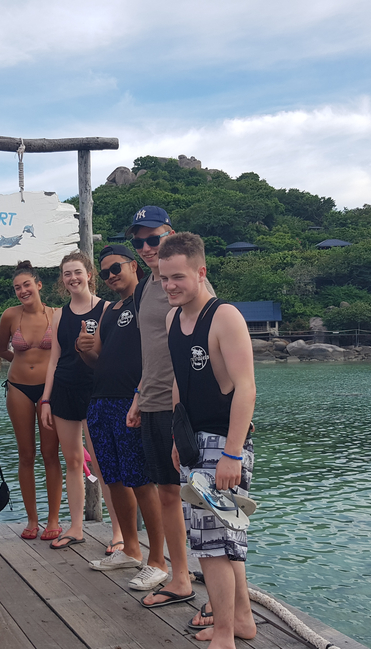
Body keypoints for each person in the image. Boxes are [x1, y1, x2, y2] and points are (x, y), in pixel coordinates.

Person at [161, 231, 257, 649]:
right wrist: (180, 440)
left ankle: (224, 646)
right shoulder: (171, 320)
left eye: (178, 277)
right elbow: (181, 382)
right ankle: (240, 621)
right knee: (226, 542)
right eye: (163, 279)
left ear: (201, 271)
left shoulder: (225, 317)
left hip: (225, 444)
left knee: (214, 548)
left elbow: (246, 388)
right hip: (195, 442)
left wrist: (233, 454)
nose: (170, 286)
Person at [79, 244, 170, 591]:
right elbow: (98, 360)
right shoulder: (109, 309)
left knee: (142, 482)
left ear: (134, 266)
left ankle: (158, 560)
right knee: (114, 479)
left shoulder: (148, 301)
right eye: (104, 273)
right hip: (100, 401)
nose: (111, 276)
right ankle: (130, 549)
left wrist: (141, 396)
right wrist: (85, 351)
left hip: (132, 402)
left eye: (116, 267)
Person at [125, 207, 197, 610]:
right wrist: (138, 395)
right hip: (150, 400)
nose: (148, 247)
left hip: (179, 403)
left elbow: (195, 346)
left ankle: (226, 596)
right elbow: (150, 348)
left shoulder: (183, 282)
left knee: (199, 498)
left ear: (172, 234)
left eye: (155, 238)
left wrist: (182, 405)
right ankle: (181, 577)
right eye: (140, 242)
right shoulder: (148, 286)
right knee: (166, 493)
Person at [40, 251, 109, 550]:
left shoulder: (106, 309)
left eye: (78, 272)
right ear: (62, 279)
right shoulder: (59, 315)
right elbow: (54, 360)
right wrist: (45, 400)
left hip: (96, 392)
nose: (73, 278)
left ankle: (118, 533)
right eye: (67, 274)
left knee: (104, 464)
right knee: (73, 462)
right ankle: (76, 526)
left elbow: (110, 358)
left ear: (89, 274)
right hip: (64, 392)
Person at [0, 262, 64, 541]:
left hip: (49, 391)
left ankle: (54, 519)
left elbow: (63, 353)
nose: (22, 290)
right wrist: (20, 363)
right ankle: (32, 519)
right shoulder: (10, 316)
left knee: (50, 454)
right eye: (17, 287)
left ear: (38, 285)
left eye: (26, 285)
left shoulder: (57, 315)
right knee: (26, 454)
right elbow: (1, 348)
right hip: (19, 388)